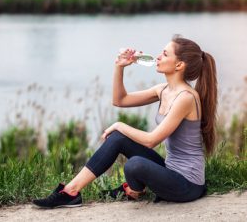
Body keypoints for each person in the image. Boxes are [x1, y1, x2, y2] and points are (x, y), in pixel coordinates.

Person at [33, 35, 218, 208]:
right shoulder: (163, 90)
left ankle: (134, 190)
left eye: (165, 53)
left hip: (188, 184)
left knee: (134, 164)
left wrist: (119, 125)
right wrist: (120, 67)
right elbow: (120, 100)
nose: (158, 56)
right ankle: (71, 192)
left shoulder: (186, 97)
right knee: (118, 138)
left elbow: (151, 140)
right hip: (170, 170)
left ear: (179, 65)